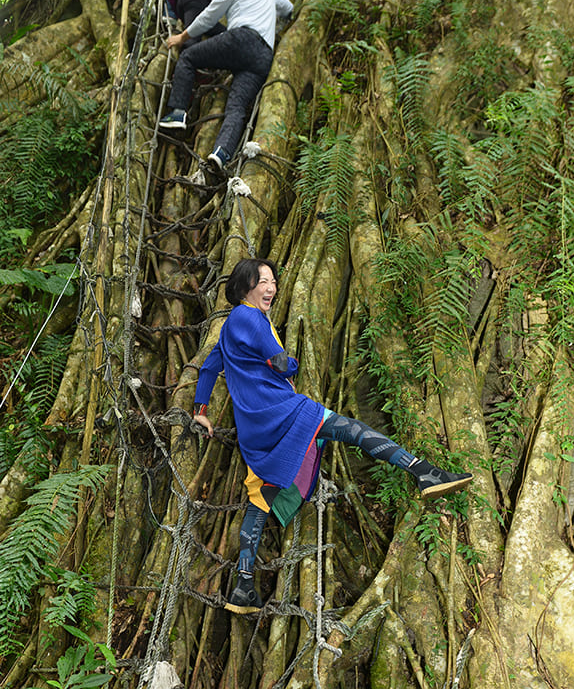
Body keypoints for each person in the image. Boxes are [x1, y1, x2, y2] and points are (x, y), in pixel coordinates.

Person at [192, 258, 473, 614]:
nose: (271, 287)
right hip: (282, 412)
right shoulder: (250, 317)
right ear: (245, 286)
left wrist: (201, 412)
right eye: (263, 281)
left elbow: (209, 366)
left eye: (274, 281)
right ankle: (423, 473)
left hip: (255, 427)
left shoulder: (230, 325)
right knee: (350, 429)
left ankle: (243, 587)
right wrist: (286, 364)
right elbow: (282, 363)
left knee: (261, 495)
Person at [160, 0, 293, 168]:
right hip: (263, 56)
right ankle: (221, 154)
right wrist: (274, 29)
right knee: (237, 105)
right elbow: (288, 7)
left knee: (189, 57)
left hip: (241, 40)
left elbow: (209, 17)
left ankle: (177, 112)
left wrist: (182, 37)